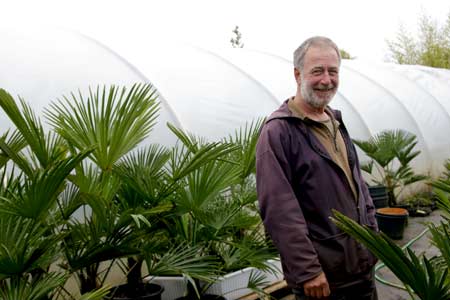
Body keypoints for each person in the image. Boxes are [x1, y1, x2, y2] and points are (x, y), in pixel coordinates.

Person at [255, 36, 378, 300]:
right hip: (323, 278)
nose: (326, 79)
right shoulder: (279, 131)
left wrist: (373, 237)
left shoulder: (334, 121)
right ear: (298, 74)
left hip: (360, 268)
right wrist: (307, 270)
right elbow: (279, 210)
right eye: (317, 71)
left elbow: (358, 185)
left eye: (333, 71)